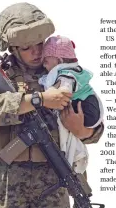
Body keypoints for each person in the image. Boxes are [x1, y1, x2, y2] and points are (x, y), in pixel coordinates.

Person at [0, 2, 104, 208]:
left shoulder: (61, 75)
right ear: (12, 48)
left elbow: (93, 117)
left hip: (54, 179)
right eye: (26, 47)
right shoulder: (0, 75)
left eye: (40, 45)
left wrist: (83, 131)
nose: (36, 52)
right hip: (8, 184)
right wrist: (39, 99)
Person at [38, 35, 104, 174]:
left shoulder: (67, 74)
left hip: (86, 111)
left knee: (69, 140)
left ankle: (76, 158)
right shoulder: (65, 72)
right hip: (84, 110)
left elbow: (64, 89)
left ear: (59, 60)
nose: (43, 64)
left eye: (46, 60)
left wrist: (81, 130)